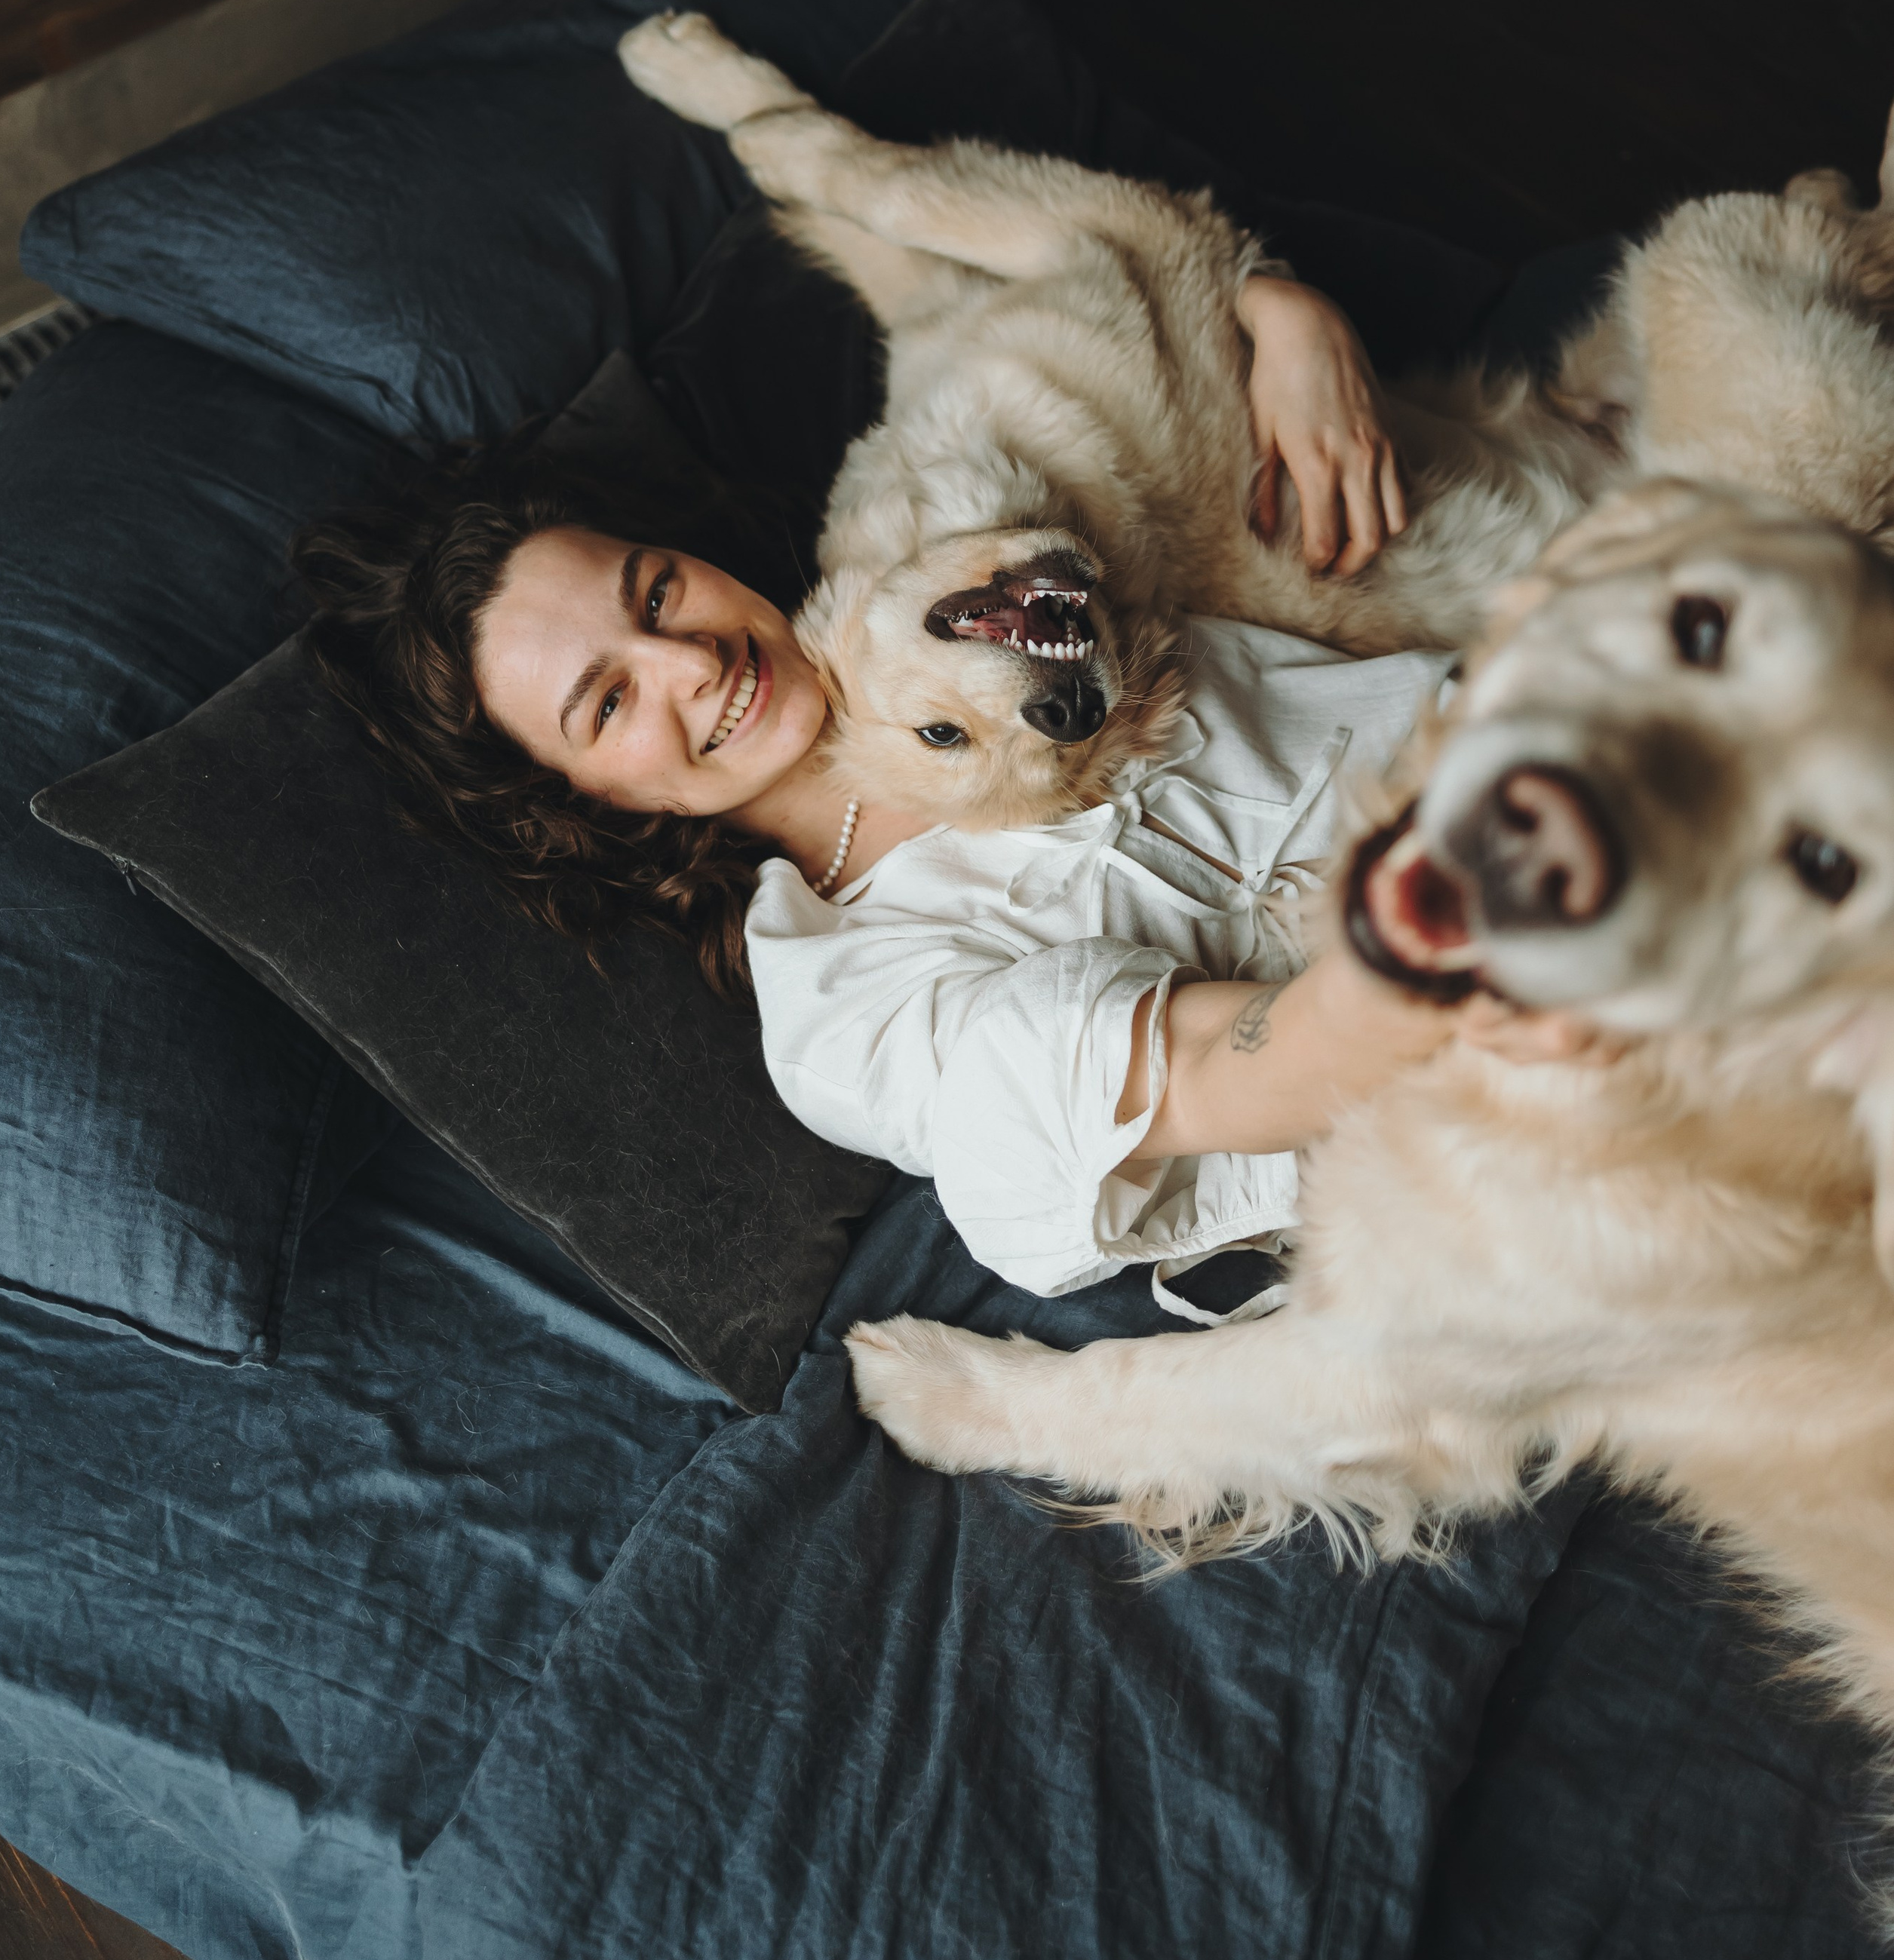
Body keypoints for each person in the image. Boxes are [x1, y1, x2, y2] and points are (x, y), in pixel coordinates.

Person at [296, 271, 1595, 1310]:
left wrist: (1280, 312)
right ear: (585, 805)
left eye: (655, 592)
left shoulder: (919, 548)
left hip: (1568, 706)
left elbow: (1071, 310)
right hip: (1527, 1062)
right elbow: (1213, 1069)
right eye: (608, 703)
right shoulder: (844, 1009)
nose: (690, 662)